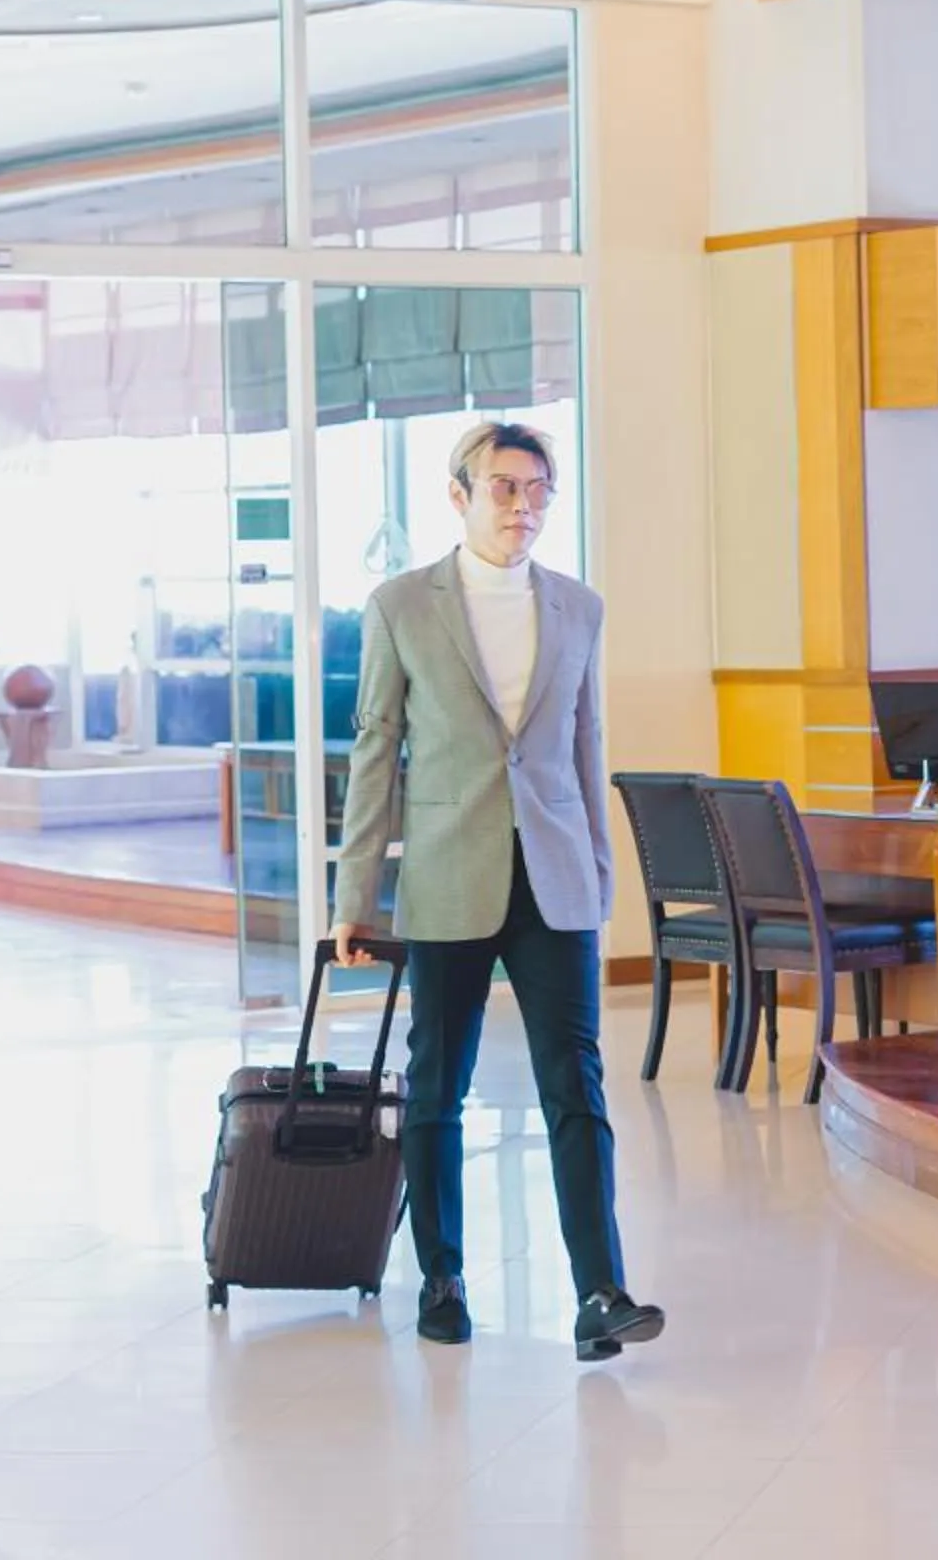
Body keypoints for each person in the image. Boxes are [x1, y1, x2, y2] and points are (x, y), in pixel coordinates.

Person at [330, 420, 664, 1362]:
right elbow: (374, 755)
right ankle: (442, 1274)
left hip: (555, 878)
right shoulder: (401, 606)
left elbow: (584, 745)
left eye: (539, 490)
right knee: (439, 1082)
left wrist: (599, 873)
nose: (525, 506)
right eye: (507, 488)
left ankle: (599, 1290)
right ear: (460, 495)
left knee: (577, 1085)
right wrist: (355, 894)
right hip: (447, 872)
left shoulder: (578, 608)